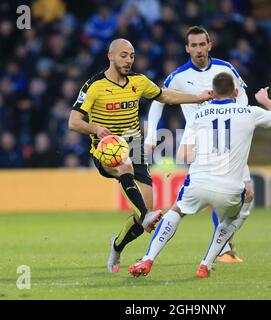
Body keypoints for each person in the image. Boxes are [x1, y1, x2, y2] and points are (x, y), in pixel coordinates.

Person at [68, 38, 212, 273]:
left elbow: (164, 96)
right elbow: (73, 122)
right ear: (111, 56)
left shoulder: (139, 81)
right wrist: (95, 129)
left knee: (143, 215)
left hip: (134, 146)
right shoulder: (93, 86)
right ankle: (145, 215)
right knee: (125, 169)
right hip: (106, 148)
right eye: (123, 55)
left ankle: (117, 245)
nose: (128, 60)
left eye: (132, 56)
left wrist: (199, 97)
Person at [129, 72, 271, 278]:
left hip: (199, 183)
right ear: (236, 91)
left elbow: (183, 154)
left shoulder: (198, 115)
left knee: (176, 212)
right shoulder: (250, 112)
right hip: (230, 188)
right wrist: (265, 100)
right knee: (233, 216)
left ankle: (148, 259)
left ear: (212, 93)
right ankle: (206, 264)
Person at [145, 25, 251, 263]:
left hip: (230, 141)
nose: (199, 49)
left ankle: (221, 245)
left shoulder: (225, 69)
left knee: (243, 195)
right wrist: (152, 134)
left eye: (202, 44)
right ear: (187, 49)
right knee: (220, 193)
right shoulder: (180, 77)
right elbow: (158, 100)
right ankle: (220, 250)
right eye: (194, 45)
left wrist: (239, 115)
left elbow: (243, 94)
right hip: (200, 142)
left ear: (209, 45)